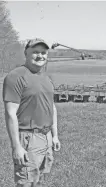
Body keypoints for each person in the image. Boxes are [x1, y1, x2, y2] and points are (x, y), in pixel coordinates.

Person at [2, 38, 61, 187]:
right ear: (26, 53)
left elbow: (52, 108)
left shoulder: (46, 78)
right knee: (26, 182)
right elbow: (11, 114)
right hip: (28, 138)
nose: (40, 56)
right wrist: (17, 146)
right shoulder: (15, 77)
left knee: (40, 180)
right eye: (35, 52)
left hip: (46, 137)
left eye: (43, 52)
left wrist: (55, 136)